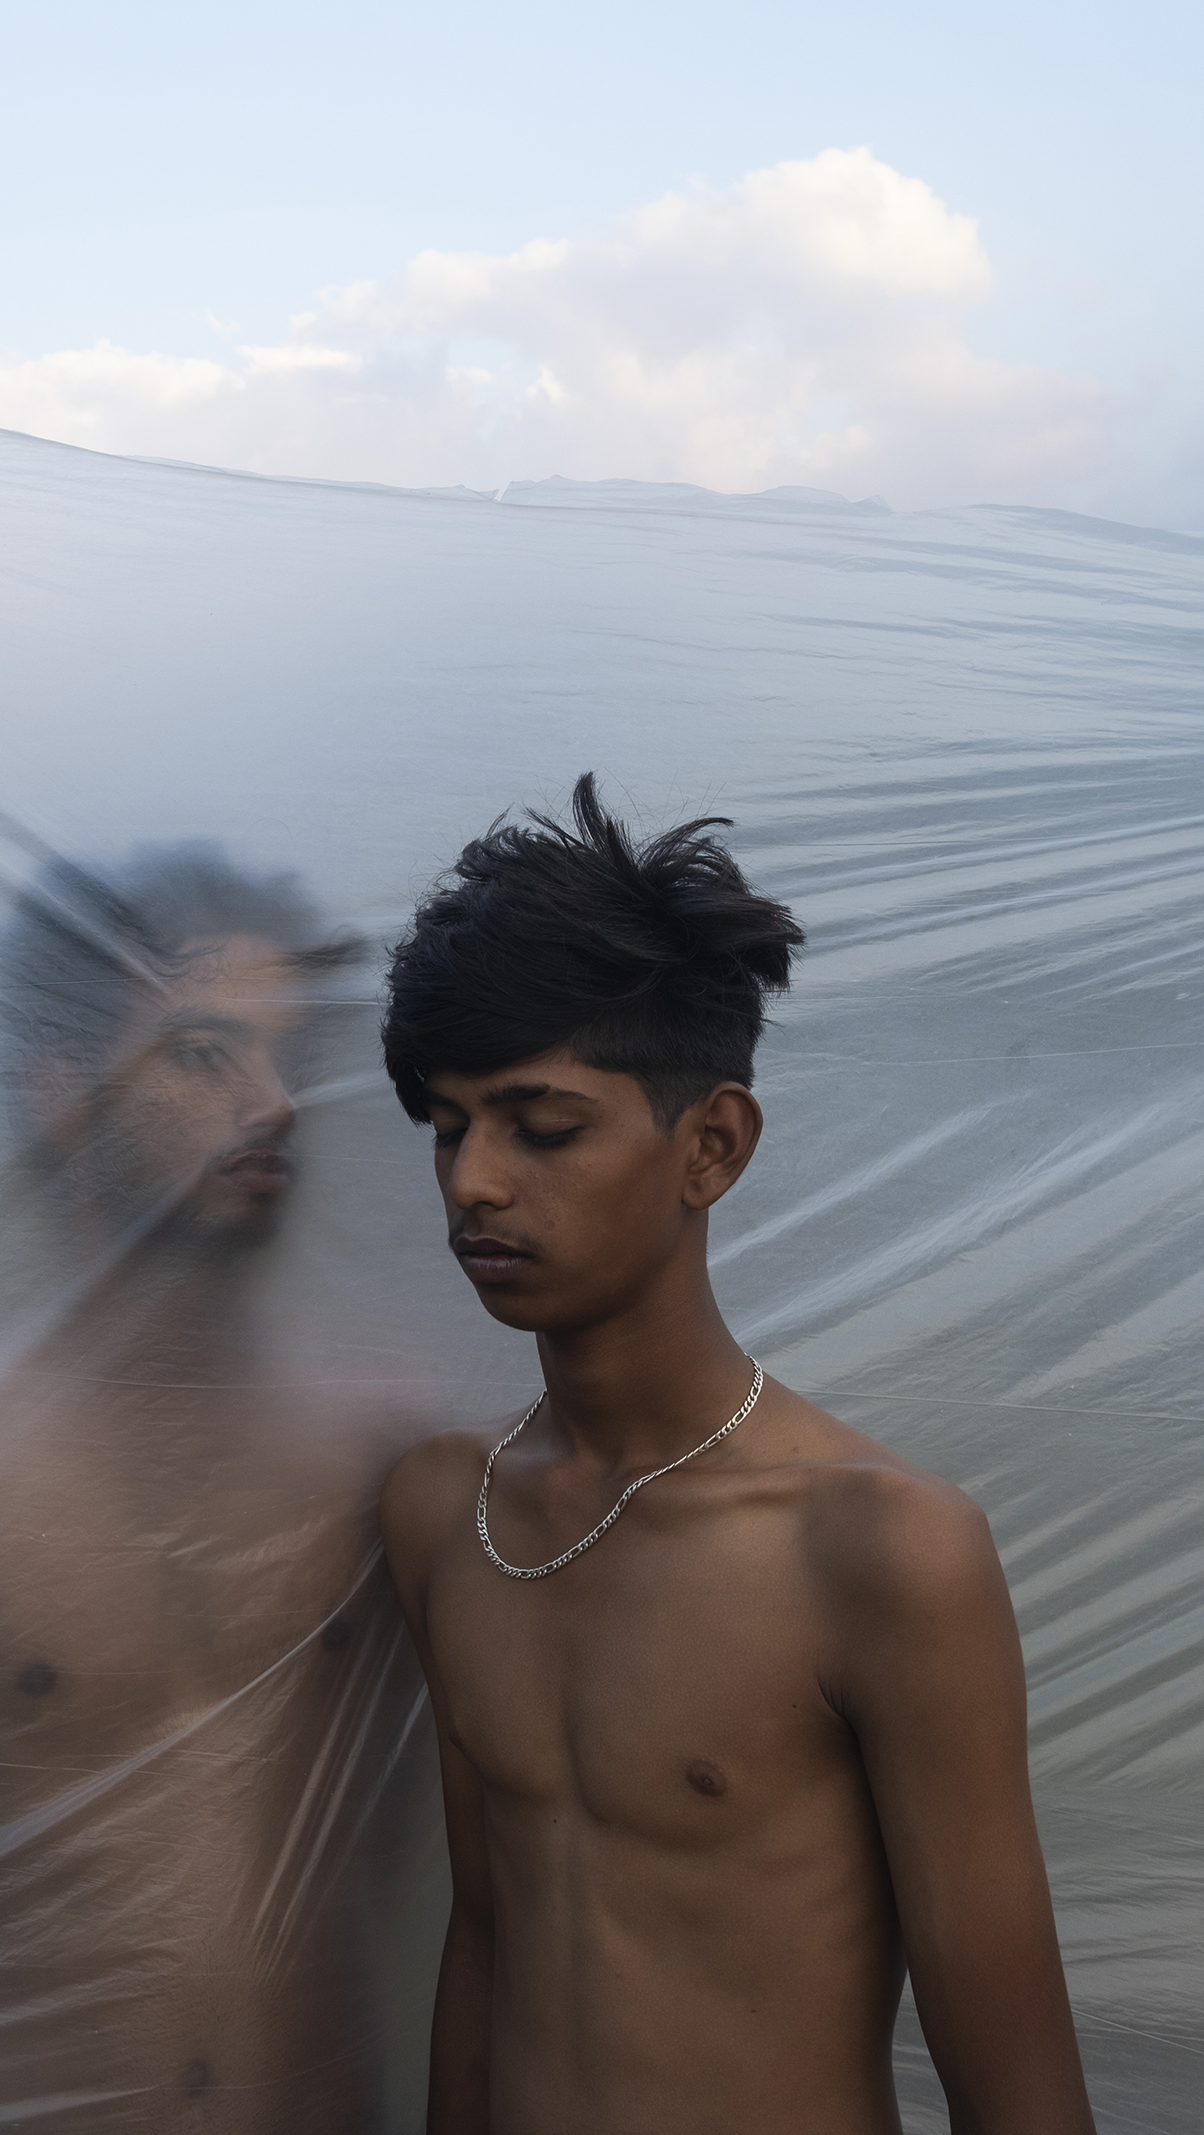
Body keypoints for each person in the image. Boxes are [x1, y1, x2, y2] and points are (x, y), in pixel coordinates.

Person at [378, 776, 1094, 2134]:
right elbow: (483, 1941)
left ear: (710, 1144)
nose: (473, 1179)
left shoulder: (877, 1550)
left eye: (541, 1127)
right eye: (447, 1126)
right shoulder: (445, 1514)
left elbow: (1020, 2096)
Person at [0, 847, 423, 2132]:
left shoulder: (384, 1444)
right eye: (205, 1054)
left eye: (288, 1060)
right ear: (60, 1097)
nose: (274, 1108)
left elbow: (424, 1829)